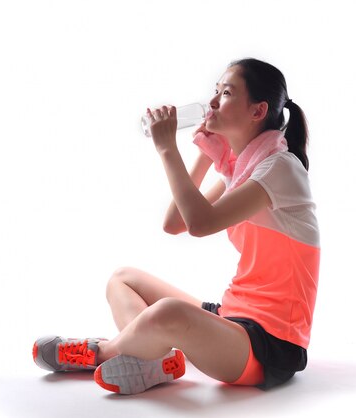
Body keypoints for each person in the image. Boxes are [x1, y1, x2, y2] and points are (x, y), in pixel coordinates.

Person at [32, 58, 320, 395]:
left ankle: (99, 352)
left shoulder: (279, 168)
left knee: (168, 312)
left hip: (267, 346)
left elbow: (200, 223)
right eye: (215, 91)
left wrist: (167, 147)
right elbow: (176, 223)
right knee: (123, 278)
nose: (212, 102)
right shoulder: (243, 169)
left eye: (226, 93)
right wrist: (210, 154)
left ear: (257, 112)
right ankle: (158, 361)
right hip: (232, 317)